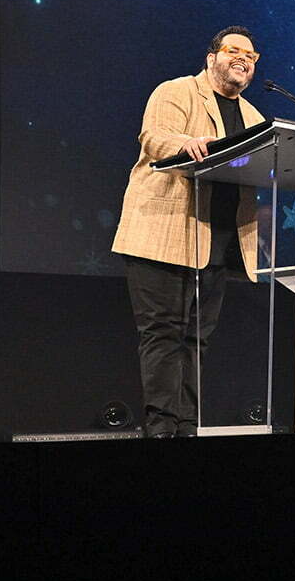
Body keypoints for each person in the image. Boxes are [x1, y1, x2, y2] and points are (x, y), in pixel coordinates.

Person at [111, 26, 265, 438]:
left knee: (197, 339)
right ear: (211, 57)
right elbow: (154, 137)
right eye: (234, 51)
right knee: (163, 333)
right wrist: (188, 142)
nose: (243, 59)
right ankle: (162, 427)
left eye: (251, 56)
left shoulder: (254, 118)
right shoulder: (176, 91)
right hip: (162, 235)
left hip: (215, 241)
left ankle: (188, 426)